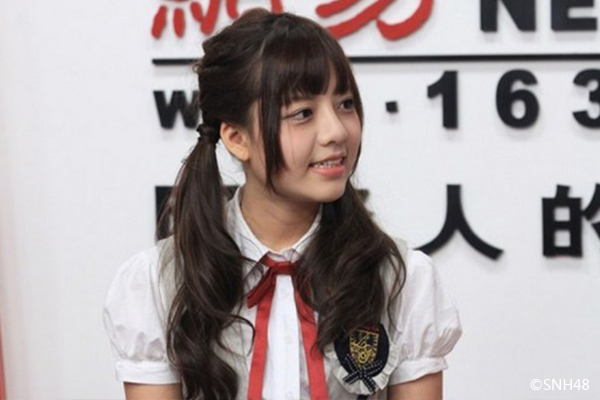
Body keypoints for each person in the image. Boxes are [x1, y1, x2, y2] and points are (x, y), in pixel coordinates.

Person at [103, 8, 462, 400]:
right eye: (302, 114)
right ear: (237, 138)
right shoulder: (160, 283)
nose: (336, 131)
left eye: (345, 104)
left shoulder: (401, 281)